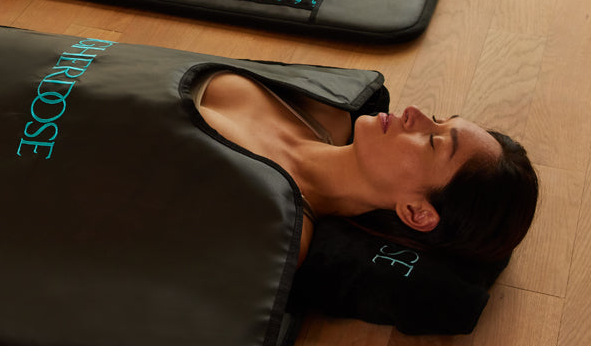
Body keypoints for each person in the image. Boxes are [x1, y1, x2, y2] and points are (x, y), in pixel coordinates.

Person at [195, 69, 538, 266]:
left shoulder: (281, 230)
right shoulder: (327, 108)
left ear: (416, 212)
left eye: (433, 141)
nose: (413, 112)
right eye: (436, 120)